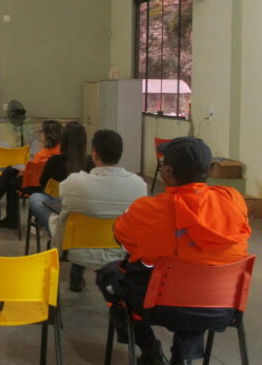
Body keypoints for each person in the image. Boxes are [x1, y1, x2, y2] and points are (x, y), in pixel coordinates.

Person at [96, 137, 251, 365]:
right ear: (208, 170)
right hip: (223, 307)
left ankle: (148, 349)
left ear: (166, 171)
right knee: (200, 278)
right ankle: (183, 356)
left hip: (158, 308)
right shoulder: (232, 199)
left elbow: (122, 239)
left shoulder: (145, 209)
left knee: (109, 274)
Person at [46, 129, 146, 292]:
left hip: (74, 249)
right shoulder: (139, 185)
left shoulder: (74, 182)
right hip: (119, 251)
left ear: (94, 154)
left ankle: (71, 276)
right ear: (120, 154)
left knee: (45, 207)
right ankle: (76, 276)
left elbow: (60, 194)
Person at [0, 119, 63, 228]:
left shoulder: (44, 153)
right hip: (51, 188)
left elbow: (36, 170)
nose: (39, 134)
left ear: (48, 135)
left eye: (41, 131)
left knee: (10, 173)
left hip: (34, 186)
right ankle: (7, 216)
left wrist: (25, 171)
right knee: (11, 180)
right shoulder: (61, 152)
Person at [27, 121, 94, 234]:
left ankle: (56, 229)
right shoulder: (90, 162)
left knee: (35, 198)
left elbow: (42, 182)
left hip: (56, 203)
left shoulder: (54, 160)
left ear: (64, 140)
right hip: (82, 205)